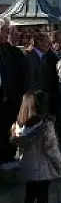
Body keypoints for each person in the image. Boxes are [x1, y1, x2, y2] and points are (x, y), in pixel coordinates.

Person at [10, 91, 61, 203]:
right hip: (42, 171)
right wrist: (60, 166)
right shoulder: (45, 125)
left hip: (27, 169)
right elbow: (52, 150)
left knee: (29, 197)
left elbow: (19, 151)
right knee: (42, 199)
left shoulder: (18, 127)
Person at [0, 18, 28, 164]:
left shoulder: (14, 53)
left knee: (9, 134)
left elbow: (22, 77)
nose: (6, 34)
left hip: (10, 101)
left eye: (6, 31)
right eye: (3, 31)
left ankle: (7, 160)